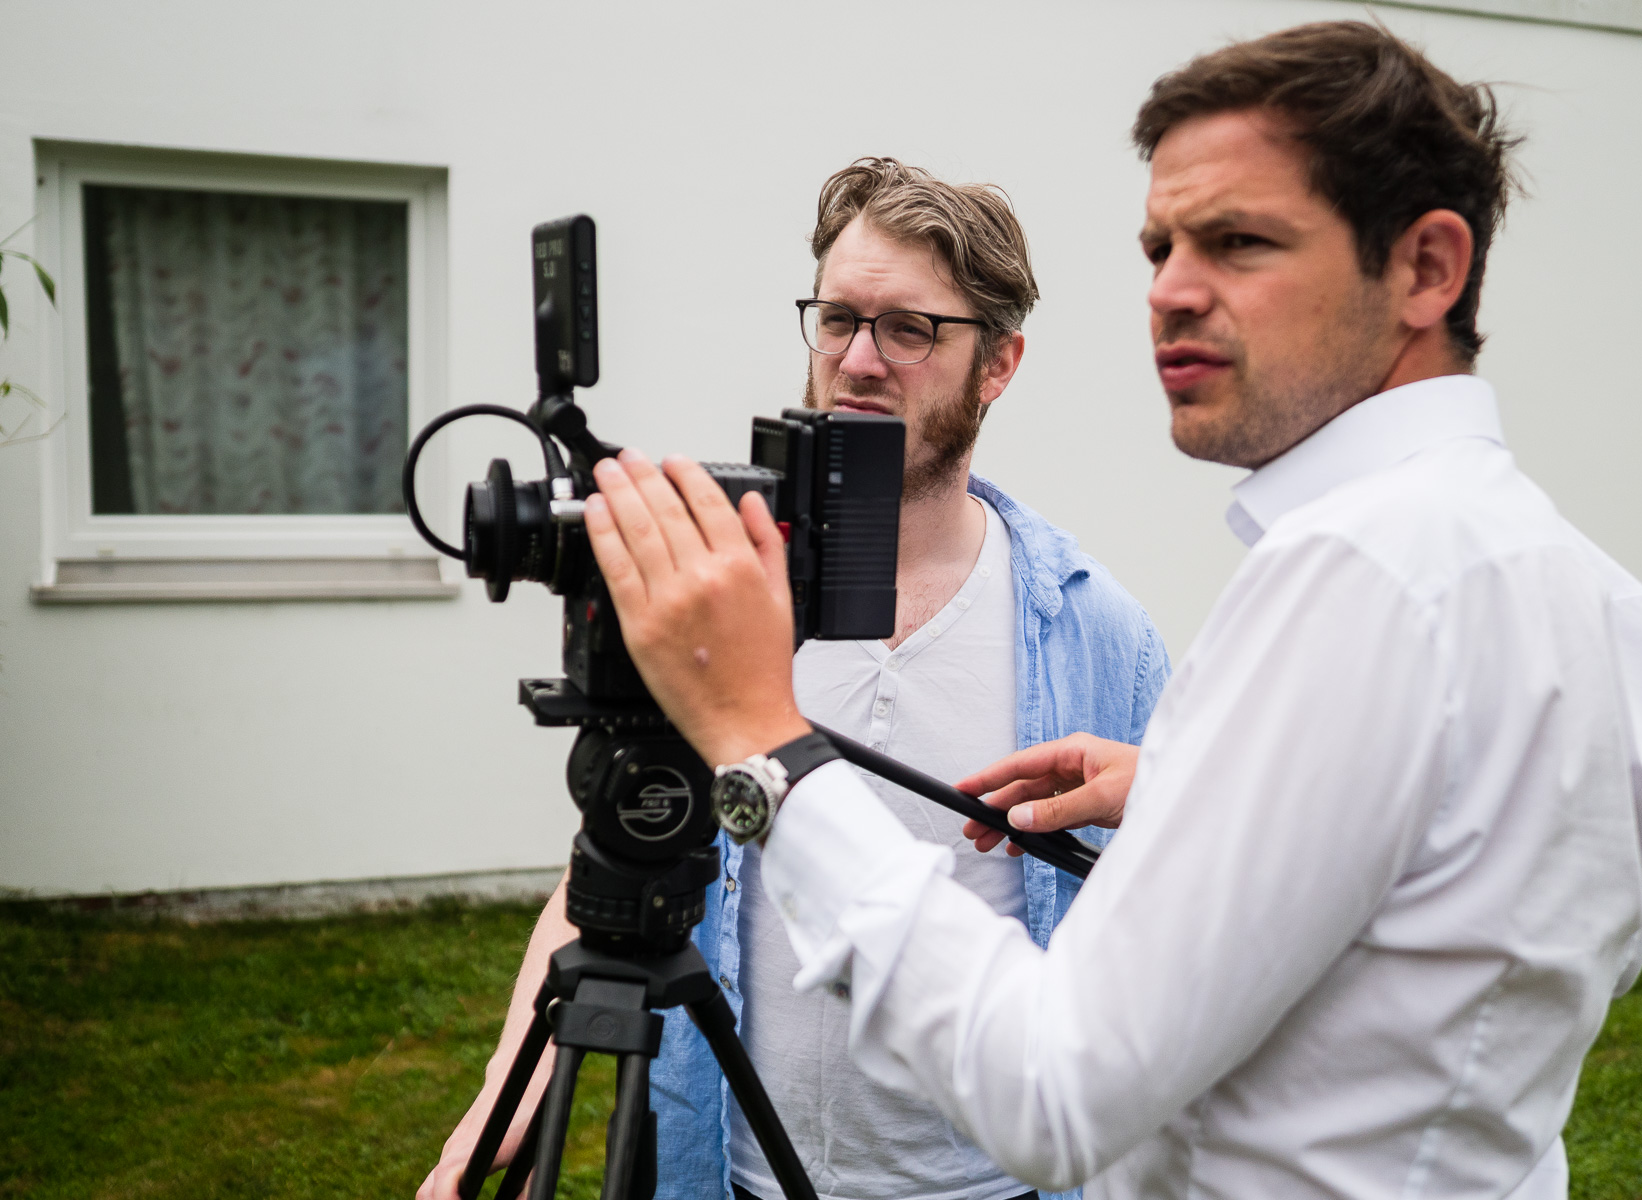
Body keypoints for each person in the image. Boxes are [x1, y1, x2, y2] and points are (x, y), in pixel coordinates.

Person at [568, 20, 1642, 1200]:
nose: (1170, 292)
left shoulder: (1360, 577)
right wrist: (1196, 796)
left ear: (1427, 268)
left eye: (1238, 242)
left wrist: (764, 737)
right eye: (1161, 245)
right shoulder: (1599, 601)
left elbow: (1057, 1094)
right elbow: (1486, 913)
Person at [418, 159, 1170, 1200]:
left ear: (997, 365)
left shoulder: (1096, 635)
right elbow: (623, 845)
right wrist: (502, 1098)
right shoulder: (722, 596)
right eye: (838, 319)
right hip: (727, 1177)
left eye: (910, 328)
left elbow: (1169, 932)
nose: (860, 359)